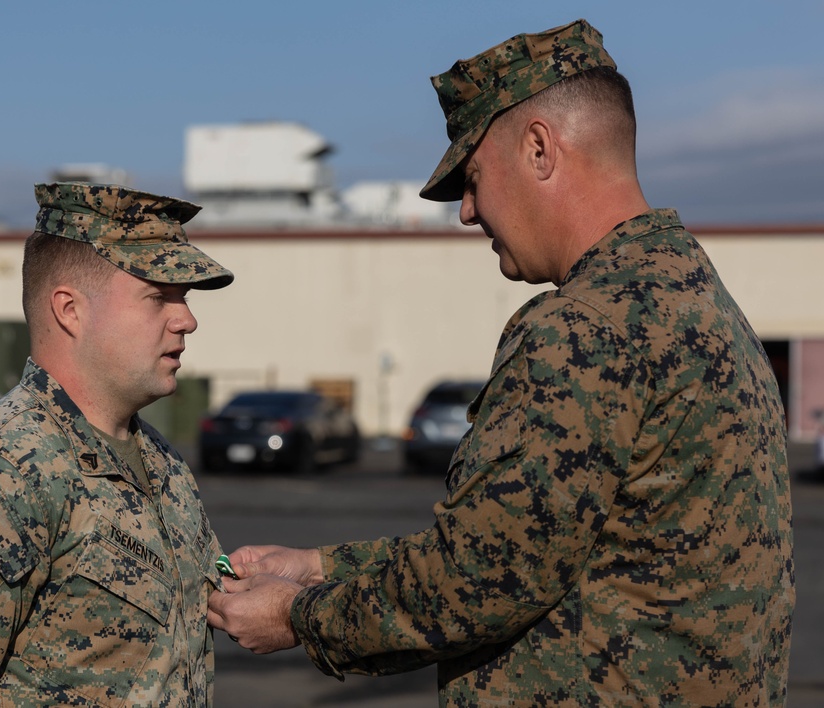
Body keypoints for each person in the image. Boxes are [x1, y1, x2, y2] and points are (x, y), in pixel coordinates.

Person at [208, 18, 796, 705]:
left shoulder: (583, 329)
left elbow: (477, 580)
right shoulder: (698, 303)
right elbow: (529, 539)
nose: (467, 212)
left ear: (540, 149)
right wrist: (315, 567)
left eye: (474, 177)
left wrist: (294, 615)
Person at [0, 182, 234, 706]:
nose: (186, 319)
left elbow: (202, 587)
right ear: (70, 310)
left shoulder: (160, 461)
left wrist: (265, 583)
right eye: (157, 297)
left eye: (185, 299)